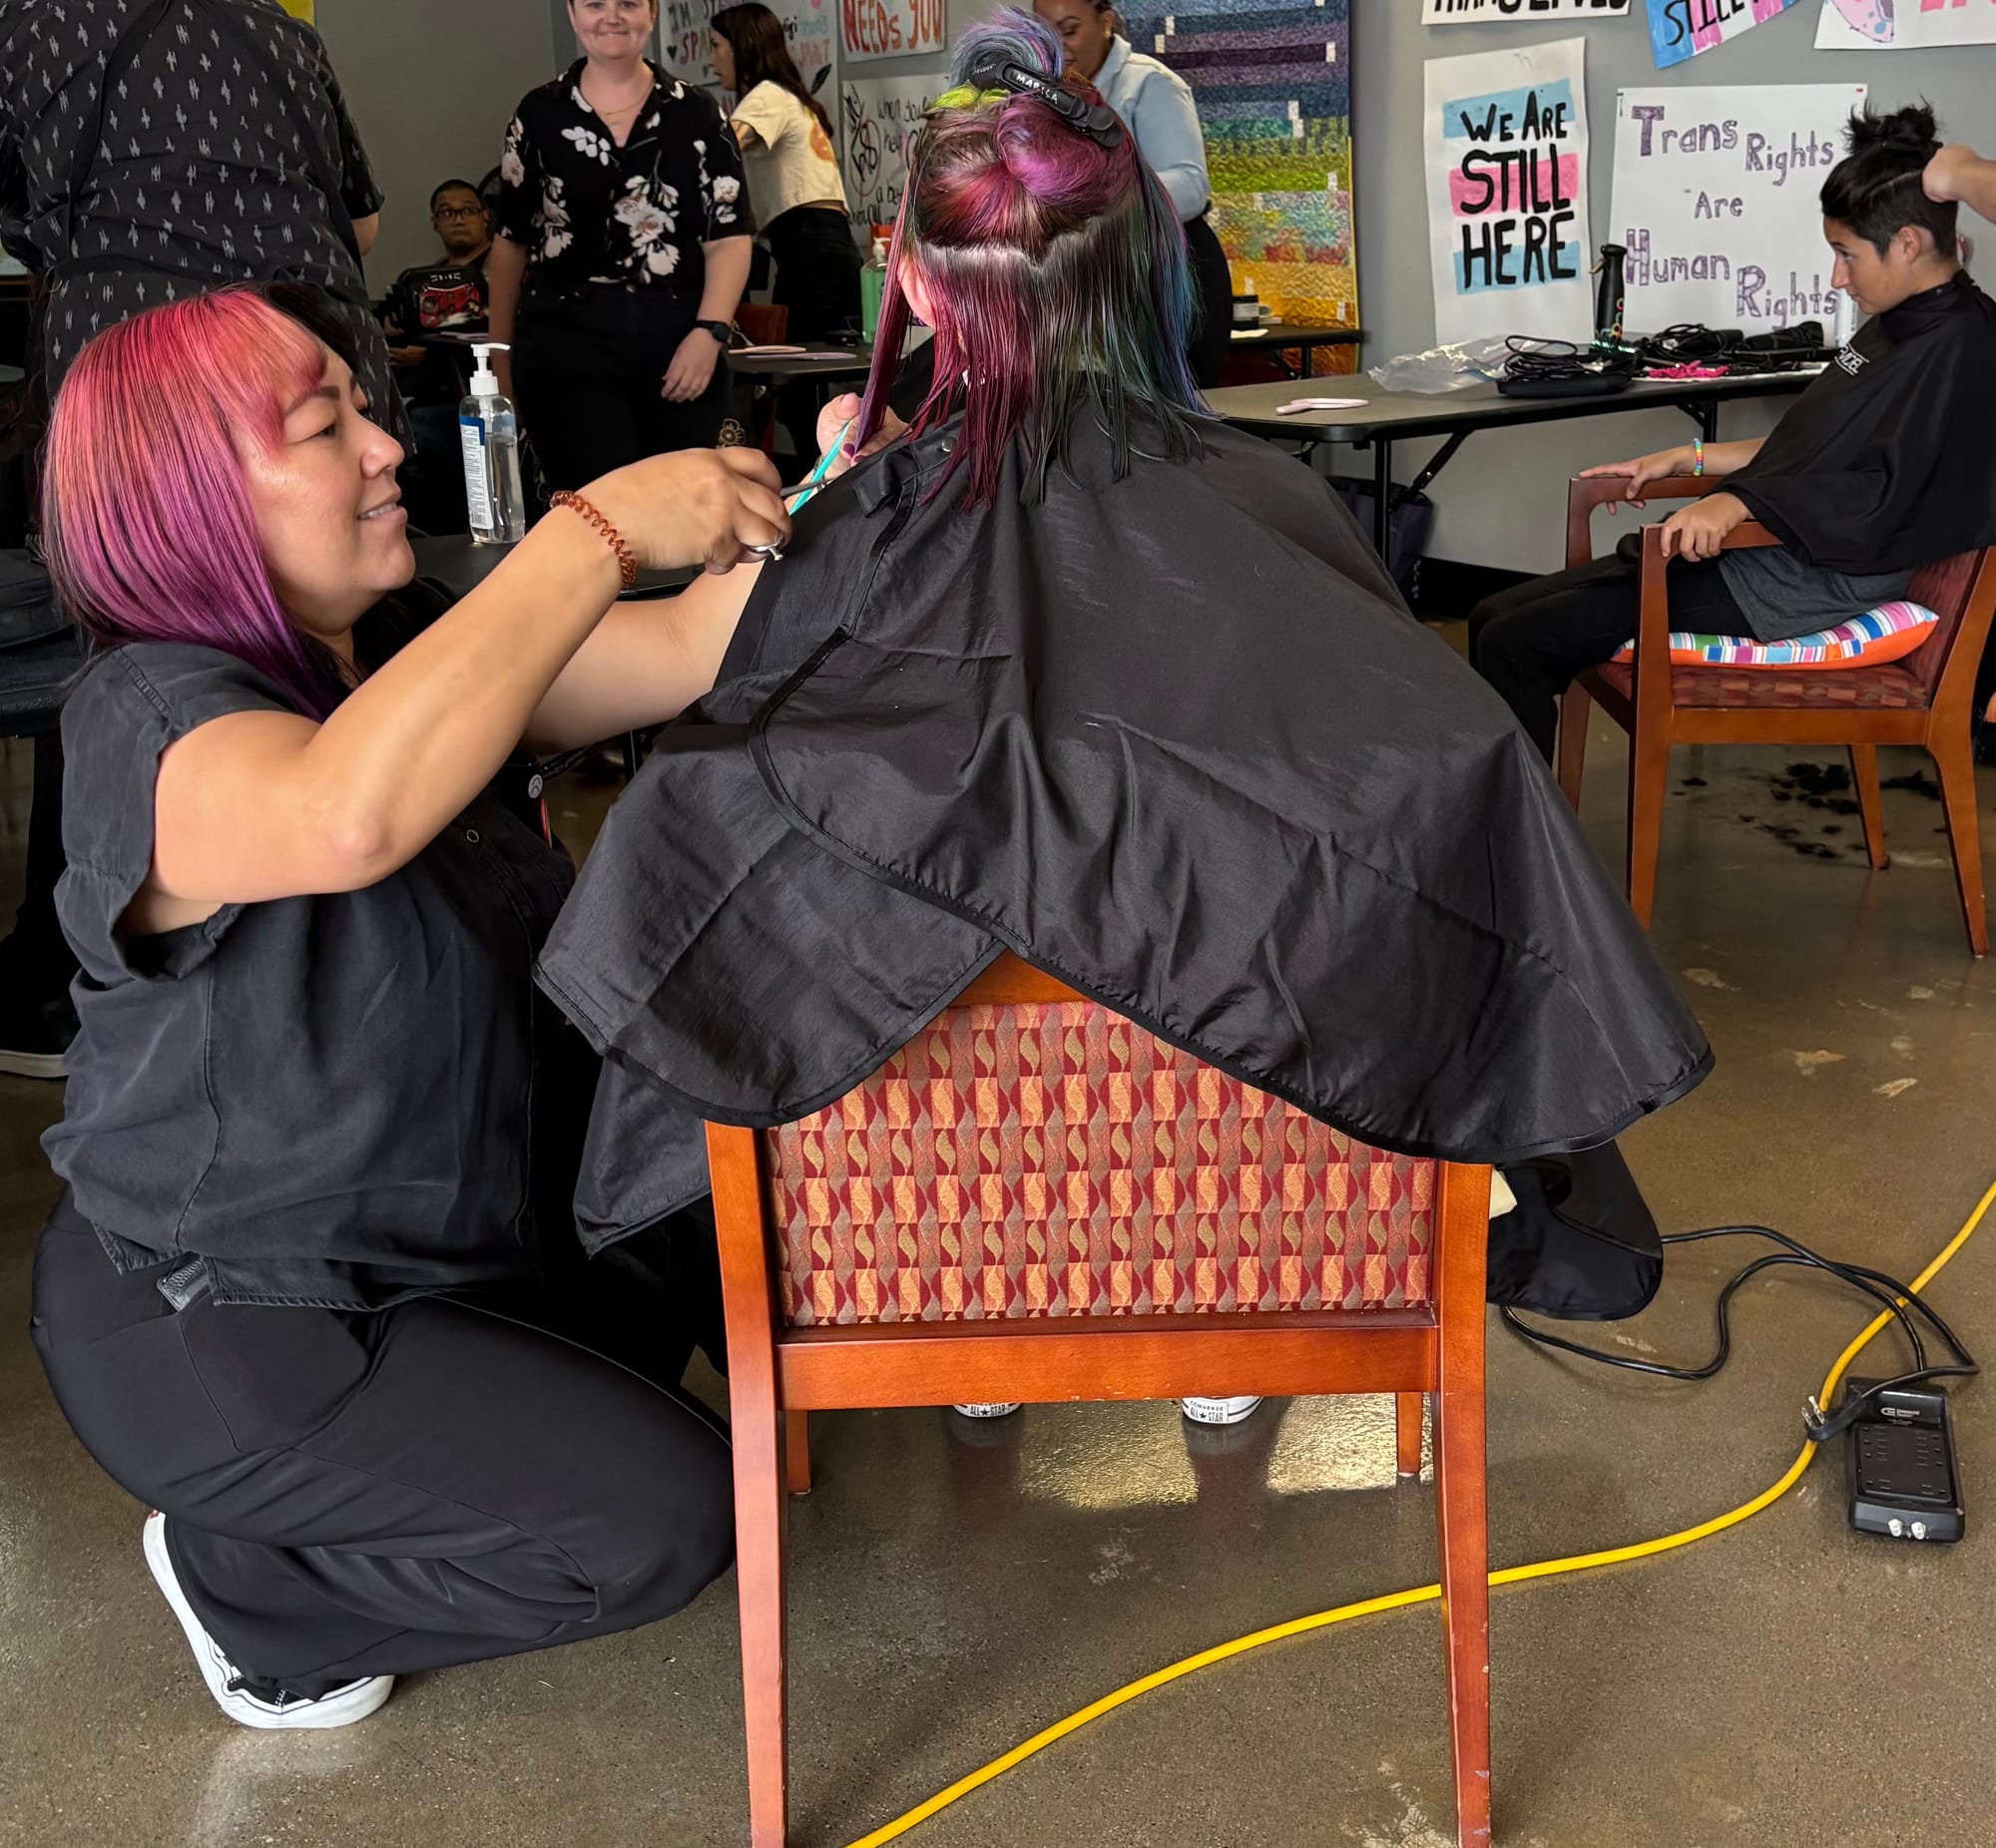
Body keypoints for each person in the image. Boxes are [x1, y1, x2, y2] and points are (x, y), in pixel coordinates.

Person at [533, 16, 1710, 1433]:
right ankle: (1232, 1283)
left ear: (907, 274)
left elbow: (666, 826)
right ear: (1152, 265)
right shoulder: (1269, 515)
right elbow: (1439, 835)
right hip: (1247, 1213)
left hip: (912, 1241)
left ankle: (959, 1288)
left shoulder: (819, 548)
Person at [29, 281, 790, 1727]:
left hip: (442, 1252)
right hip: (237, 1323)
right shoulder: (146, 716)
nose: (385, 449)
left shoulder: (395, 657)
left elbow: (692, 647)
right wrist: (598, 531)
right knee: (670, 1520)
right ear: (193, 503)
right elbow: (341, 814)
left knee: (692, 1248)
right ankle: (255, 1591)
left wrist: (838, 484)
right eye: (328, 427)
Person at [0, 0, 399, 1080]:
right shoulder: (279, 31)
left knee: (138, 669)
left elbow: (21, 213)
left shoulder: (31, 25)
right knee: (340, 657)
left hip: (131, 371)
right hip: (305, 345)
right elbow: (359, 227)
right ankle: (374, 976)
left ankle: (69, 984)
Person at [1471, 105, 1996, 763]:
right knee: (1491, 616)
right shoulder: (1896, 324)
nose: (1837, 277)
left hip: (1810, 586)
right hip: (1772, 558)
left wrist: (1739, 502)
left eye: (1846, 255)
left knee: (1512, 644)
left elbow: (1881, 494)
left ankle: (1525, 854)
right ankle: (1511, 832)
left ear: (1911, 245)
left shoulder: (1965, 345)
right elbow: (1818, 446)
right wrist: (1689, 456)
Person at [485, 0, 753, 496]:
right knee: (597, 518)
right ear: (571, 14)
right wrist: (499, 362)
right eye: (595, 4)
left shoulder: (696, 112)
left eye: (628, 3)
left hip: (678, 348)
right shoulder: (538, 114)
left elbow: (730, 235)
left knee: (684, 516)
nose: (612, 16)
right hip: (563, 351)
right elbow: (509, 246)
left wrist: (710, 333)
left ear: (651, 13)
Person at [1033, 0, 1231, 389]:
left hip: (1169, 274)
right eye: (1046, 32)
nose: (1058, 46)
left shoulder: (1149, 84)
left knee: (1165, 424)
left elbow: (1191, 186)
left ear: (1105, 22)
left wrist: (1095, 196)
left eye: (1069, 29)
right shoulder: (1043, 93)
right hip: (1094, 284)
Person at [710, 3, 859, 460]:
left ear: (743, 48)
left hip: (811, 244)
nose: (712, 61)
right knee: (795, 384)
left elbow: (719, 149)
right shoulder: (785, 97)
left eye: (717, 48)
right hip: (812, 245)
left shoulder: (768, 96)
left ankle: (823, 481)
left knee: (794, 382)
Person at [380, 179, 495, 530]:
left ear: (485, 216)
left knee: (419, 431)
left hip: (479, 397)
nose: (458, 219)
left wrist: (427, 357)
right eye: (448, 212)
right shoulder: (417, 282)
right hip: (420, 395)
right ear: (435, 222)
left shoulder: (500, 273)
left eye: (467, 211)